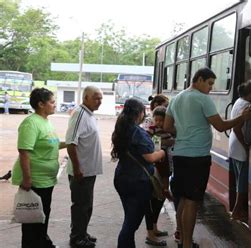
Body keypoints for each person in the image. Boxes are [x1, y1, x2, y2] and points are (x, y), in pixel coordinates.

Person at [164, 67, 251, 248]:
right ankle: (187, 243)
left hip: (179, 155)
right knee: (192, 202)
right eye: (210, 83)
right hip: (196, 158)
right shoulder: (203, 99)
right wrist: (241, 118)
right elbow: (220, 126)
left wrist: (184, 133)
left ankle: (181, 238)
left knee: (183, 198)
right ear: (200, 79)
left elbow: (167, 126)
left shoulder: (177, 98)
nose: (211, 88)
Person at [11, 88, 66, 248]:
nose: (55, 105)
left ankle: (42, 242)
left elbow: (52, 144)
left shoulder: (46, 121)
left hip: (47, 181)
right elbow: (24, 152)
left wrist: (71, 143)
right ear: (41, 104)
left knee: (42, 216)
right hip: (35, 181)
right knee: (31, 220)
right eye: (52, 102)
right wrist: (27, 179)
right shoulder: (31, 123)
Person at [112, 98, 166, 248]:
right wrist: (162, 153)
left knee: (129, 218)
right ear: (139, 113)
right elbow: (149, 157)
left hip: (122, 178)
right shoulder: (137, 131)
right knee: (131, 223)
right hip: (138, 182)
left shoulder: (122, 128)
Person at [65, 86, 103, 248]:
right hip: (81, 171)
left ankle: (83, 233)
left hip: (89, 171)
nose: (99, 101)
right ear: (85, 98)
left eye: (101, 98)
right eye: (96, 98)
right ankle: (77, 238)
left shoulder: (89, 115)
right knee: (80, 206)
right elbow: (71, 143)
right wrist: (77, 168)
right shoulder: (79, 115)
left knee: (87, 205)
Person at [143, 105, 174, 247]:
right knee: (153, 199)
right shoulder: (151, 130)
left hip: (165, 165)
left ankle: (154, 227)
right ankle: (151, 230)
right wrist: (163, 142)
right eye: (157, 120)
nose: (159, 123)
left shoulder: (169, 131)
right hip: (156, 165)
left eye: (162, 120)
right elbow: (148, 143)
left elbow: (172, 141)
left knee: (161, 196)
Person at [228, 82, 251, 222]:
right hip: (239, 146)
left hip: (234, 145)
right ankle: (237, 211)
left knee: (239, 180)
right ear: (250, 93)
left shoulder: (239, 101)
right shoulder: (245, 106)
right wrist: (245, 145)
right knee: (242, 183)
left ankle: (238, 210)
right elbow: (238, 128)